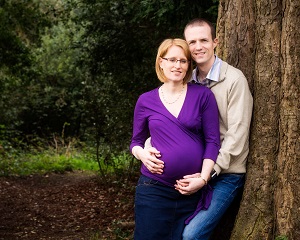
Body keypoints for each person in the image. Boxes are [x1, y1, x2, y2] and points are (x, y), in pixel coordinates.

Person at [144, 18, 254, 240]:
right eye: (192, 42)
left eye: (203, 40)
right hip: (193, 171)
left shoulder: (234, 80)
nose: (198, 46)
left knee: (191, 235)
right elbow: (171, 123)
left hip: (224, 173)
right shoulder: (188, 83)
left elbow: (238, 135)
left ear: (215, 42)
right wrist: (148, 145)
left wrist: (208, 174)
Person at [130, 38, 220, 240]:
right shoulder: (145, 100)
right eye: (172, 60)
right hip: (154, 189)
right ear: (161, 62)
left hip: (191, 192)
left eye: (183, 61)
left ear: (188, 65)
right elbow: (135, 141)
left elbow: (213, 141)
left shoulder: (202, 95)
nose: (177, 65)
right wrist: (143, 154)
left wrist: (203, 179)